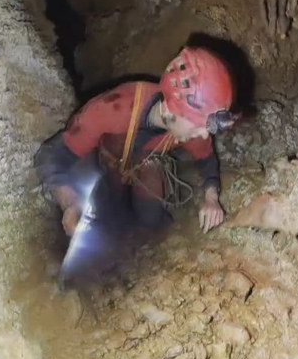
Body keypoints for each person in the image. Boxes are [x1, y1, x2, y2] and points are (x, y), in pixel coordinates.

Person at [34, 46, 239, 243]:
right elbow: (51, 155)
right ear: (171, 110)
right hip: (105, 165)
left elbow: (207, 160)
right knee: (102, 208)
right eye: (200, 125)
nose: (204, 134)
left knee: (152, 220)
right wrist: (70, 203)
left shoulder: (189, 126)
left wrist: (211, 198)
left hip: (145, 166)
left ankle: (147, 242)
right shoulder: (112, 109)